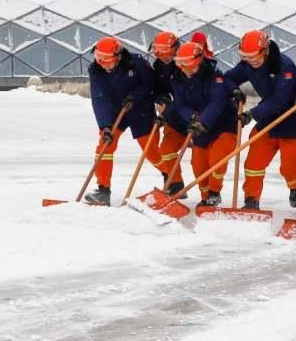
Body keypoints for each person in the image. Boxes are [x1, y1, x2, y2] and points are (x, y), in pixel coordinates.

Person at [224, 30, 296, 211]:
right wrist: (234, 90)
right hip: (268, 120)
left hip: (291, 121)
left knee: (289, 167)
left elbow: (280, 100)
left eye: (255, 56)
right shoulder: (248, 64)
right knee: (253, 163)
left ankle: (295, 185)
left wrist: (252, 114)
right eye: (246, 57)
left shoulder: (284, 67)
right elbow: (229, 77)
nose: (251, 60)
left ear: (266, 51)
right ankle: (251, 200)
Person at [83, 36, 156, 206]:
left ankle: (172, 181)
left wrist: (134, 97)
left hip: (140, 110)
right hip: (116, 112)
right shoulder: (96, 70)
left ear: (118, 56)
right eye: (100, 60)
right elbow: (99, 98)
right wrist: (105, 126)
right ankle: (103, 190)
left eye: (107, 61)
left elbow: (150, 84)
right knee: (104, 146)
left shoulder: (137, 63)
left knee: (151, 150)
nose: (103, 65)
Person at [171, 41, 239, 208]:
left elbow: (217, 102)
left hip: (223, 123)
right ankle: (205, 196)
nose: (187, 70)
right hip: (199, 125)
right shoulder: (178, 79)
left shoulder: (215, 77)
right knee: (198, 164)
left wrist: (203, 121)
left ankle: (214, 193)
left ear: (199, 61)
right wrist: (192, 116)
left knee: (217, 159)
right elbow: (180, 104)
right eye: (183, 66)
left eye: (191, 66)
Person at [150, 31, 187, 195]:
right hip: (174, 117)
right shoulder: (158, 66)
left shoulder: (186, 63)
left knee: (202, 159)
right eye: (158, 53)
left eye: (167, 52)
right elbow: (157, 90)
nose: (163, 57)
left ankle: (210, 194)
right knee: (166, 150)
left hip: (195, 116)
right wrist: (162, 97)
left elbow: (183, 96)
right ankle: (176, 184)